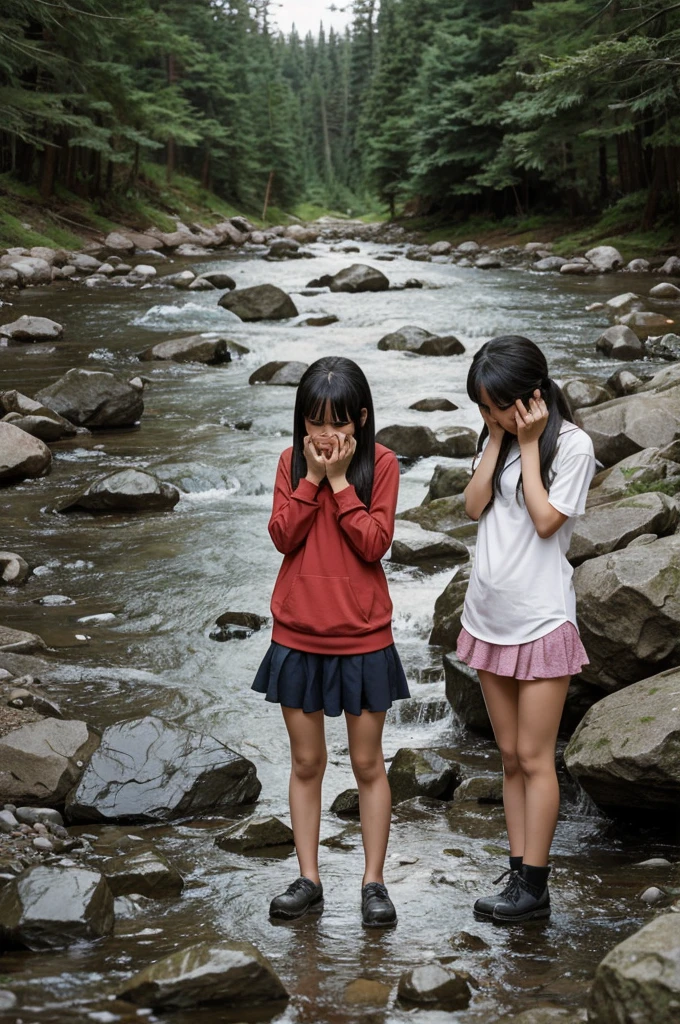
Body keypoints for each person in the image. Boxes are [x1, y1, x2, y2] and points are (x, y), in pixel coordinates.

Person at [252, 355, 410, 927]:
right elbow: (281, 535)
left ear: (361, 420)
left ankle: (373, 883)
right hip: (297, 634)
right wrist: (312, 481)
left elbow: (375, 545)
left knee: (369, 764)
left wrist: (341, 484)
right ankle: (308, 878)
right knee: (306, 761)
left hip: (364, 637)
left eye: (338, 423)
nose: (326, 435)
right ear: (301, 423)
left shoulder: (384, 465)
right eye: (315, 423)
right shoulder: (290, 464)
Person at [456, 335, 596, 923]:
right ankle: (518, 870)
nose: (490, 418)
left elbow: (544, 522)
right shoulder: (498, 437)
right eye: (483, 410)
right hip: (489, 617)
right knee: (510, 755)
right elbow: (471, 506)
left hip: (540, 620)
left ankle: (534, 887)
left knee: (537, 757)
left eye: (497, 407)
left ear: (531, 396)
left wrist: (532, 445)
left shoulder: (573, 445)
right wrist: (496, 439)